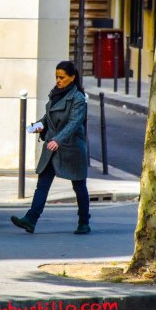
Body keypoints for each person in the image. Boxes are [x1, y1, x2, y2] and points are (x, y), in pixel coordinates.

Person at [11, 60, 91, 235]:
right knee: (42, 184)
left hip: (71, 148)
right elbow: (48, 118)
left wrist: (59, 140)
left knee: (79, 186)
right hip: (52, 147)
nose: (58, 80)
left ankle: (84, 222)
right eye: (56, 77)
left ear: (72, 77)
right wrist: (37, 126)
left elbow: (74, 123)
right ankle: (30, 219)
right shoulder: (55, 94)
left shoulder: (78, 98)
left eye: (61, 77)